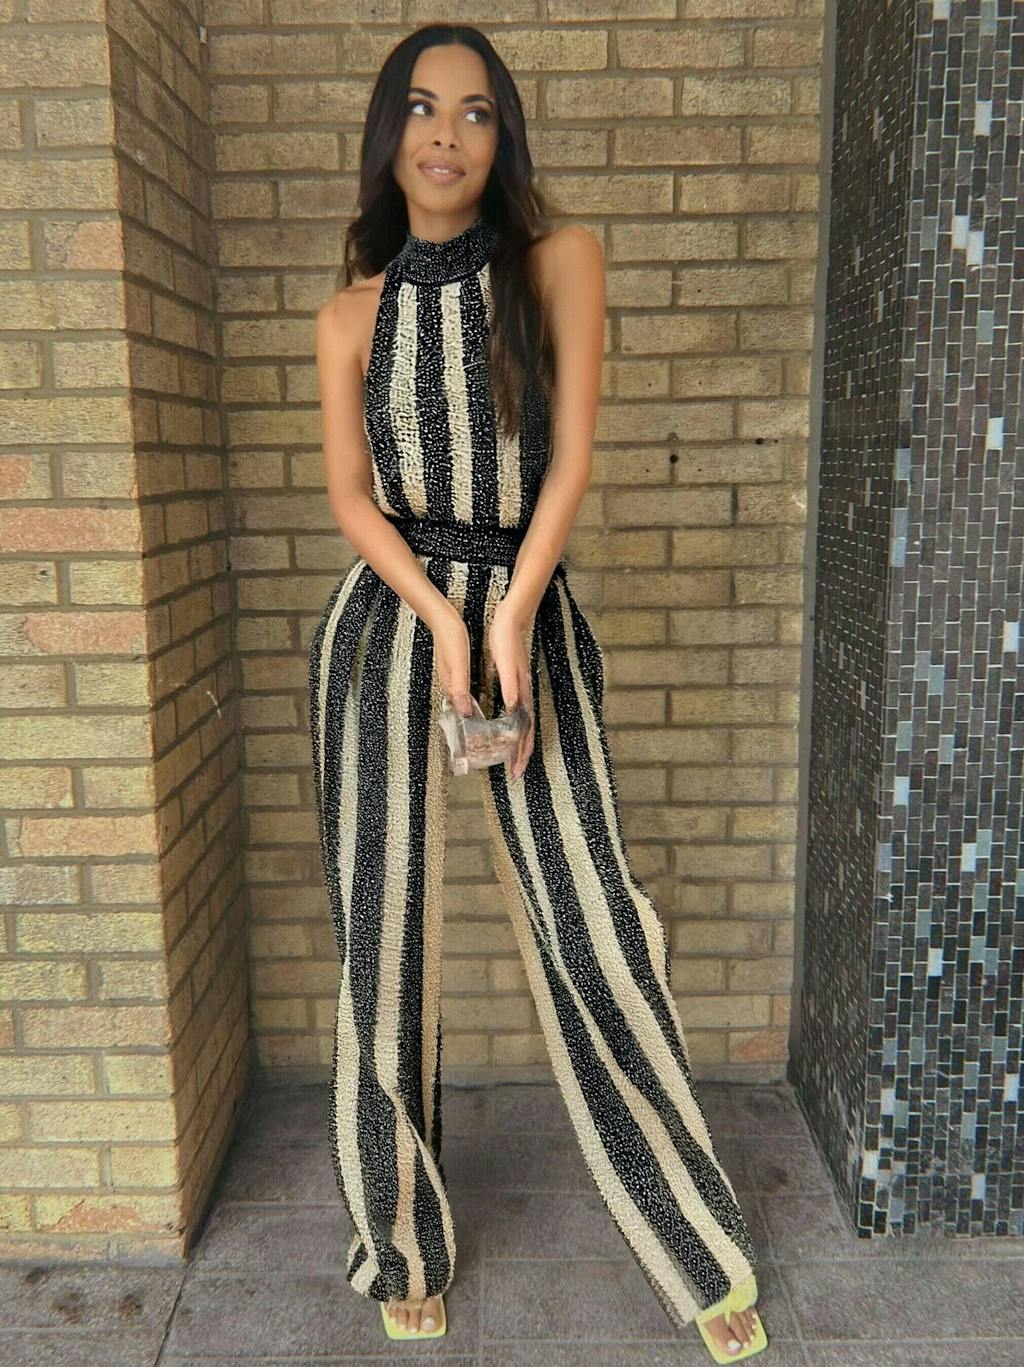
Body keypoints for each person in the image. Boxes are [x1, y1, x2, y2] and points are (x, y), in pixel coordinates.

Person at [307, 22, 767, 1363]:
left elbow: (568, 462)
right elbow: (351, 498)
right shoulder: (348, 315)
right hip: (391, 626)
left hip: (526, 618)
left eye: (476, 112)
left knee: (596, 921)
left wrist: (506, 612)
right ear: (387, 133)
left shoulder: (557, 262)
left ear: (502, 138)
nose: (446, 133)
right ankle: (400, 1243)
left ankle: (695, 1242)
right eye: (421, 108)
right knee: (383, 943)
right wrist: (437, 613)